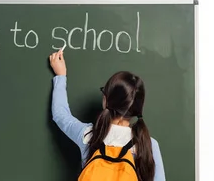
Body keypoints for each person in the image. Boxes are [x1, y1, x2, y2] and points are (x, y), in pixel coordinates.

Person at [49, 50, 166, 181]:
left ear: (105, 100)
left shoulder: (88, 135)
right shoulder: (148, 144)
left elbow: (60, 115)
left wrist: (61, 75)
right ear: (138, 108)